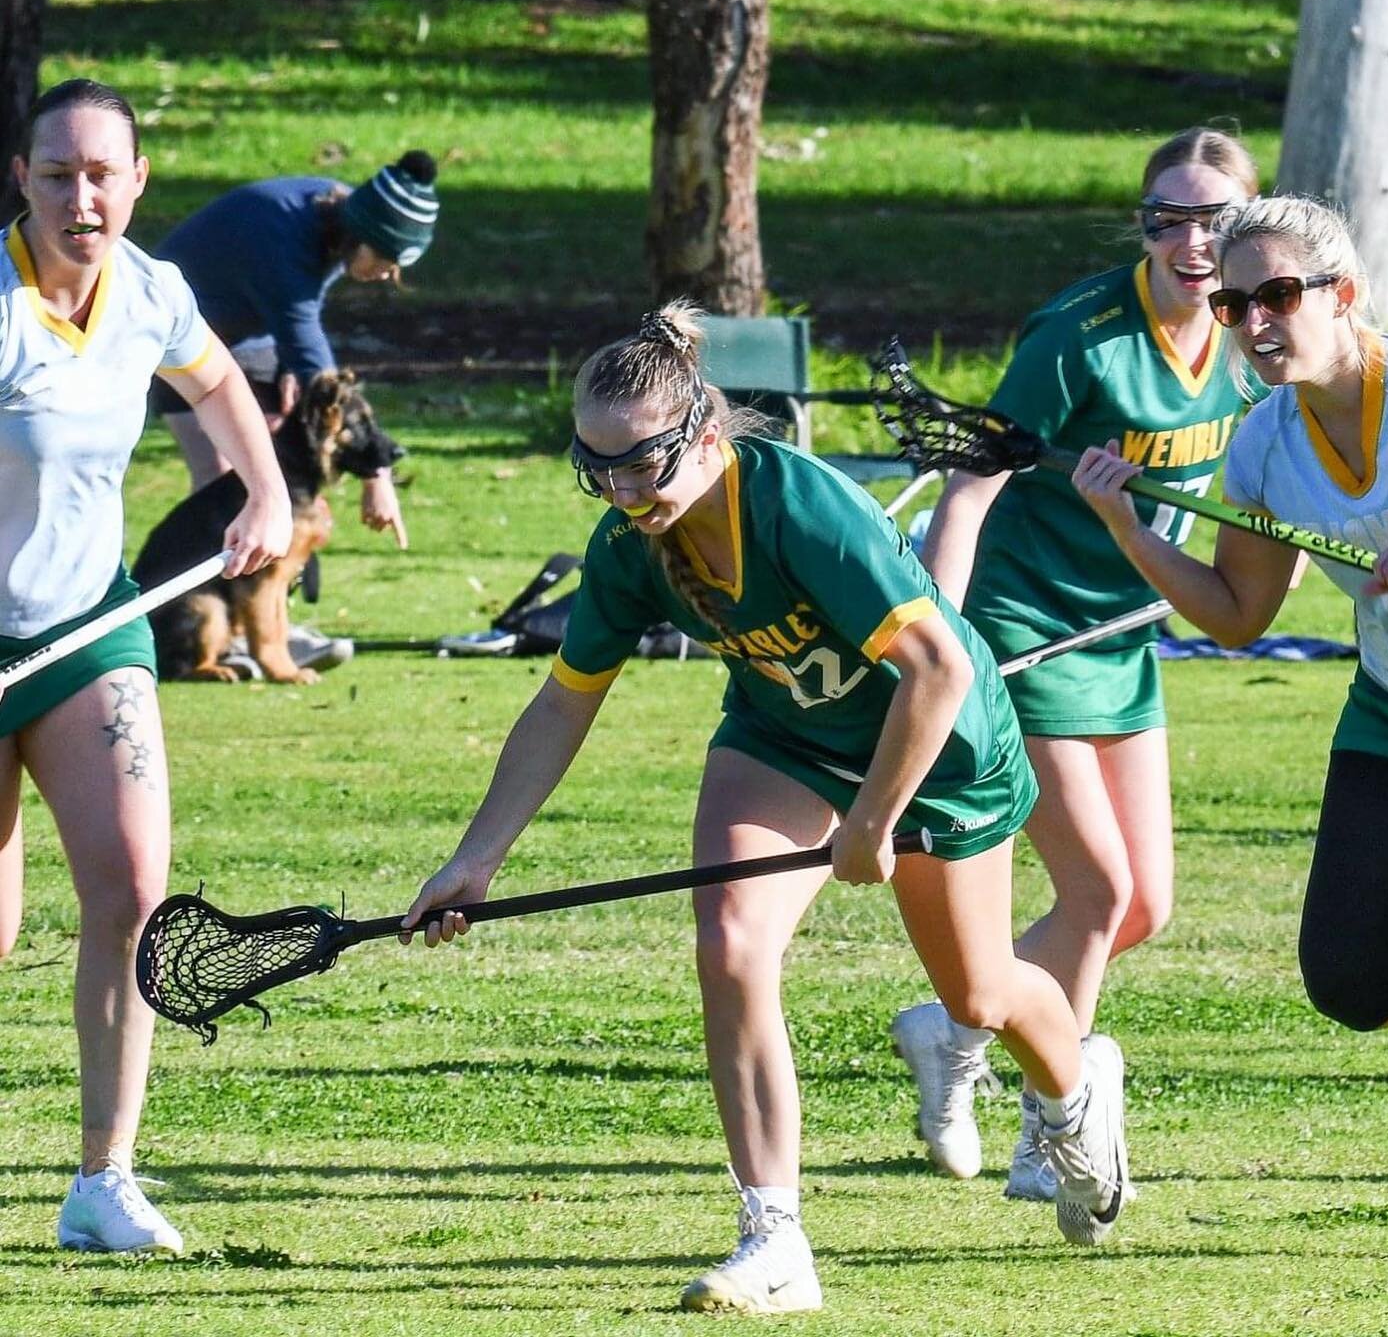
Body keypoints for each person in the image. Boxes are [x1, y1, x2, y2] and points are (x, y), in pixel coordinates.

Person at [399, 303, 1130, 1316]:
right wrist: (477, 856)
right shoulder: (630, 544)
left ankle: (1075, 1095)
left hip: (943, 750)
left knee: (980, 996)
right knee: (732, 945)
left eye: (643, 464)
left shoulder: (798, 506)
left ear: (704, 433)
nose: (622, 491)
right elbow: (565, 699)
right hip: (786, 736)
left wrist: (873, 822)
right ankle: (774, 1238)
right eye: (598, 468)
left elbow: (938, 668)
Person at [890, 127, 1260, 1198]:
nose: (1191, 242)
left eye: (1214, 220)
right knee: (1097, 891)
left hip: (1121, 637)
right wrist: (941, 644)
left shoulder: (1249, 334)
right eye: (1168, 218)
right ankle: (1051, 1132)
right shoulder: (1080, 336)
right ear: (1142, 223)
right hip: (1025, 632)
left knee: (1144, 908)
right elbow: (970, 483)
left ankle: (960, 1024)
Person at [0, 79, 291, 1252]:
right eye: (58, 173)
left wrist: (262, 487)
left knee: (129, 887)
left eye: (102, 173)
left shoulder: (150, 292)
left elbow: (216, 379)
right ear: (19, 178)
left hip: (89, 629)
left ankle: (102, 1182)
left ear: (136, 181)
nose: (83, 196)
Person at [1072, 193, 1388, 1045]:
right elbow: (1237, 617)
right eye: (1233, 306)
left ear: (1341, 294)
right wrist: (1126, 529)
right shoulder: (1265, 442)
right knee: (1349, 981)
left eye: (1278, 297)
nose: (1252, 323)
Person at [149, 150, 438, 668]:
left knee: (283, 474)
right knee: (226, 483)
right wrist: (376, 471)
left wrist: (289, 367)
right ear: (364, 234)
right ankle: (216, 631)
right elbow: (320, 371)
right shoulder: (287, 238)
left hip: (246, 329)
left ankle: (266, 619)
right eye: (388, 257)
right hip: (171, 338)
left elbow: (298, 329)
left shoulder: (337, 219)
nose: (389, 273)